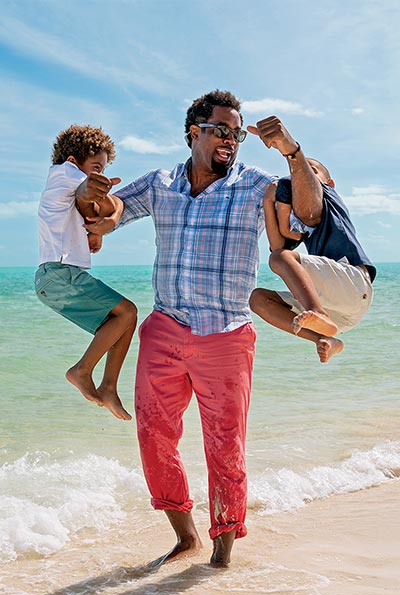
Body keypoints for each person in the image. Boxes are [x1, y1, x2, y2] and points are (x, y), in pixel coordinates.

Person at [76, 90, 322, 567]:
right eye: (222, 130)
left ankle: (222, 551)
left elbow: (307, 216)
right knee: (153, 436)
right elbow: (110, 215)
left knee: (225, 446)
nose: (231, 140)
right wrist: (94, 198)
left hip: (227, 335)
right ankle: (185, 537)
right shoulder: (161, 183)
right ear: (195, 132)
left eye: (237, 133)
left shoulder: (257, 185)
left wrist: (293, 153)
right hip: (165, 327)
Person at [35, 124, 137, 420]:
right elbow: (103, 199)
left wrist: (96, 229)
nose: (101, 175)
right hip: (60, 273)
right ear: (72, 161)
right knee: (128, 311)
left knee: (122, 322)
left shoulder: (63, 188)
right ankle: (82, 370)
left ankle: (108, 387)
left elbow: (95, 204)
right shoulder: (64, 173)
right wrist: (112, 213)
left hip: (54, 278)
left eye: (103, 169)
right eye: (96, 167)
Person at [250, 158, 376, 363]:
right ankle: (324, 338)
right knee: (258, 299)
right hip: (338, 313)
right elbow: (278, 247)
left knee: (280, 258)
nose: (301, 176)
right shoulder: (305, 223)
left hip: (354, 284)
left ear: (330, 183)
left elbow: (280, 255)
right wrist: (267, 202)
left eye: (312, 171)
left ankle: (317, 312)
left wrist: (290, 176)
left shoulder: (329, 197)